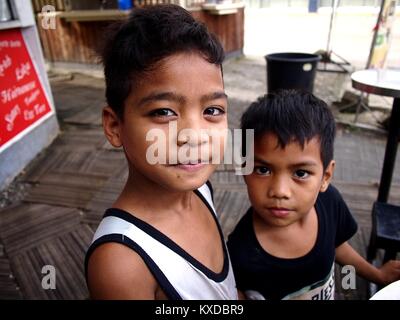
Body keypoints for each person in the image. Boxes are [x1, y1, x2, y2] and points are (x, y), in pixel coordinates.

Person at [85, 4, 237, 300]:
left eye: (213, 110)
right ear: (115, 126)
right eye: (164, 112)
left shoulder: (201, 190)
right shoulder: (121, 262)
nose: (194, 136)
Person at [227, 90, 400, 300]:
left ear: (325, 177)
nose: (280, 191)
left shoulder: (329, 202)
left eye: (300, 173)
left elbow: (338, 248)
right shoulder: (238, 253)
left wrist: (376, 275)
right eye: (263, 170)